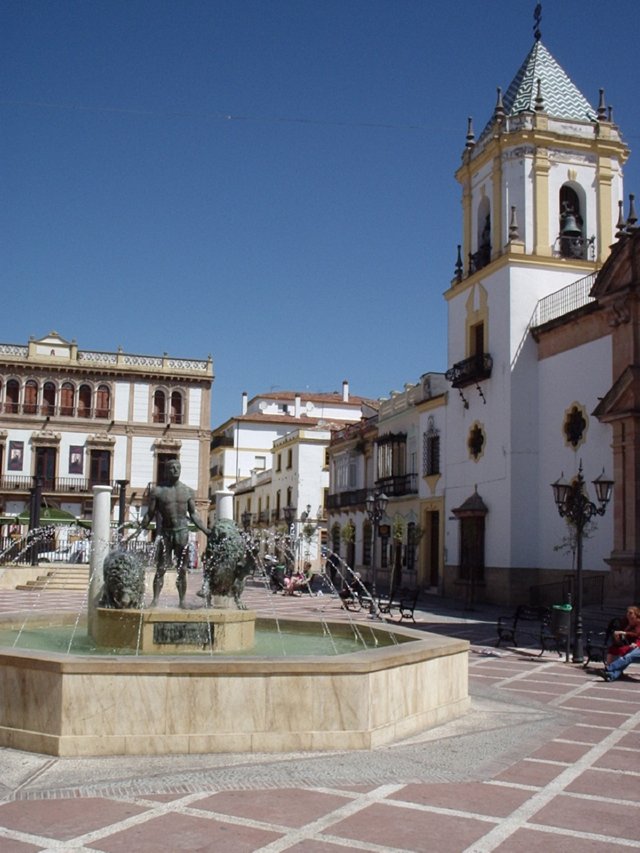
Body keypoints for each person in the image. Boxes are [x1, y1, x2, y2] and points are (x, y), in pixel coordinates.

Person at [139, 459, 209, 608]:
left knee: (182, 569)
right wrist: (141, 526)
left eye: (178, 467)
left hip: (182, 532)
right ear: (166, 471)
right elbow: (150, 513)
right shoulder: (158, 491)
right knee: (161, 568)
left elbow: (194, 514)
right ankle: (155, 600)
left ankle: (182, 601)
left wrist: (206, 530)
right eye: (171, 467)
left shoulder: (188, 491)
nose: (175, 470)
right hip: (165, 533)